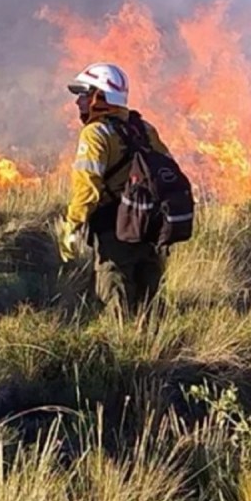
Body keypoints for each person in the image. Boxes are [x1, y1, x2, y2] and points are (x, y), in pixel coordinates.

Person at [58, 62, 172, 320]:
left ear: (101, 96)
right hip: (152, 227)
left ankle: (124, 354)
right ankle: (155, 350)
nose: (78, 103)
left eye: (84, 95)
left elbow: (87, 187)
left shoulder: (96, 133)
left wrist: (73, 227)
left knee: (115, 293)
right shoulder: (144, 129)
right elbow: (166, 169)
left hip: (115, 228)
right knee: (148, 300)